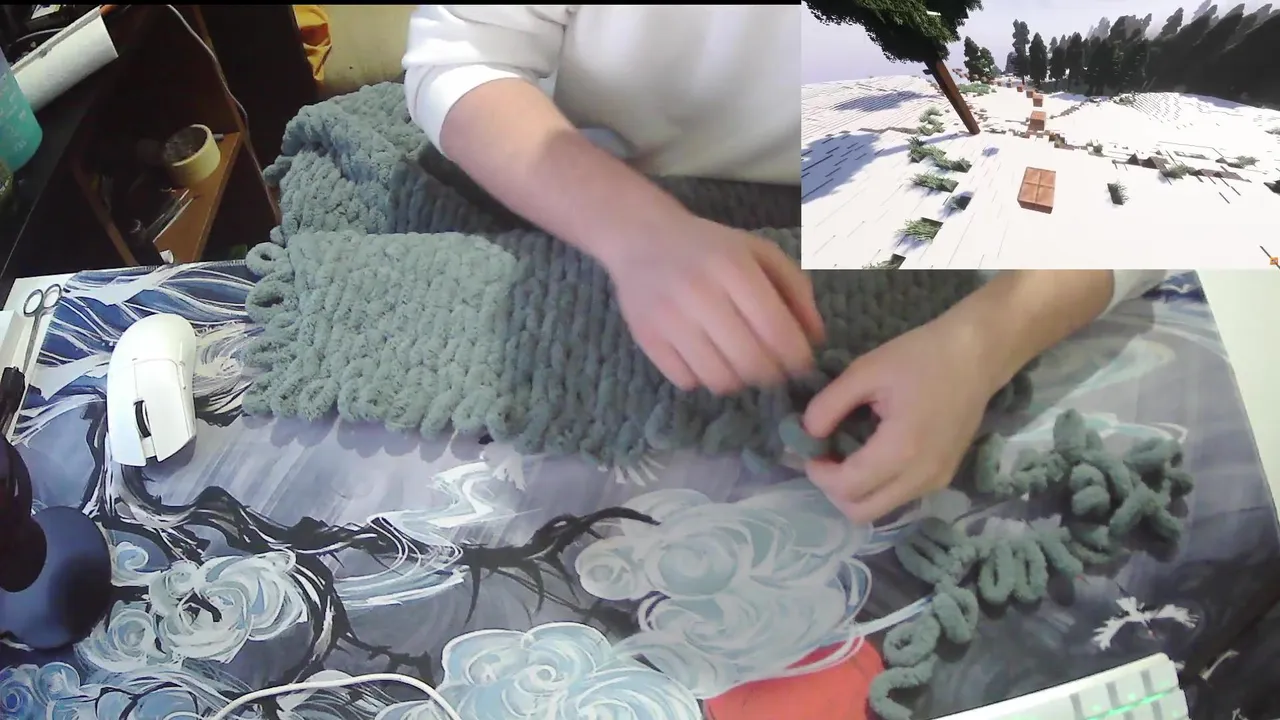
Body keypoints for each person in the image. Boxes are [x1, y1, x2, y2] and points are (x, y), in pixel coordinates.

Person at [401, 6, 1167, 522]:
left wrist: (982, 345)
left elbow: (1171, 163)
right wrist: (637, 231)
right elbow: (464, 59)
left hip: (980, 236)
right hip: (599, 199)